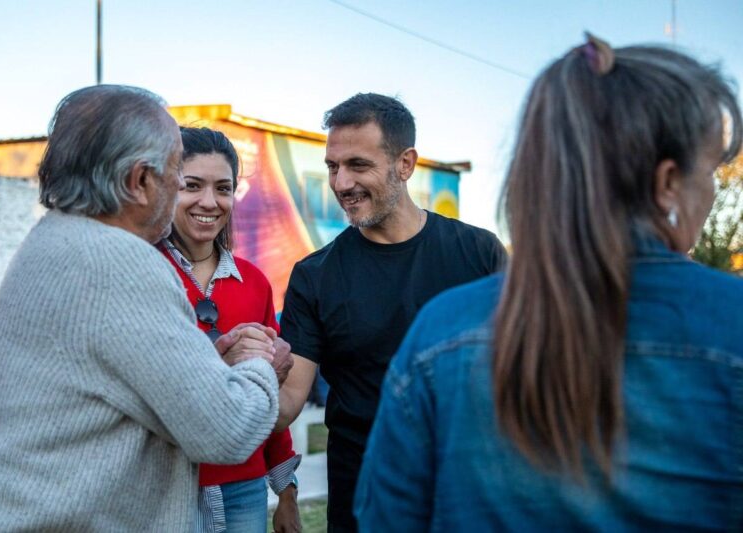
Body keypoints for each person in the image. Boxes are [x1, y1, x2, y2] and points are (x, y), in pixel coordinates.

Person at [355, 35, 743, 531]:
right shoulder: (730, 325)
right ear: (668, 182)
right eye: (709, 171)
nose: (711, 190)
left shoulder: (440, 334)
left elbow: (386, 520)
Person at [0, 85, 280, 532]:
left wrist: (209, 369)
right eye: (177, 171)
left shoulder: (55, 239)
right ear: (139, 181)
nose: (180, 186)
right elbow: (227, 430)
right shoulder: (117, 262)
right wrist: (259, 363)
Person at [278, 93, 507, 530]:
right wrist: (237, 378)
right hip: (364, 497)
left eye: (358, 165)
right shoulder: (313, 276)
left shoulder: (479, 252)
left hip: (467, 490)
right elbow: (288, 401)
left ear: (405, 164)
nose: (341, 183)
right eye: (332, 167)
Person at [157, 126, 300, 533]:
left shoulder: (254, 283)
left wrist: (286, 490)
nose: (209, 202)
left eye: (223, 188)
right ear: (167, 187)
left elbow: (267, 392)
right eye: (192, 185)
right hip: (168, 484)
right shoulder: (144, 272)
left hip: (244, 486)